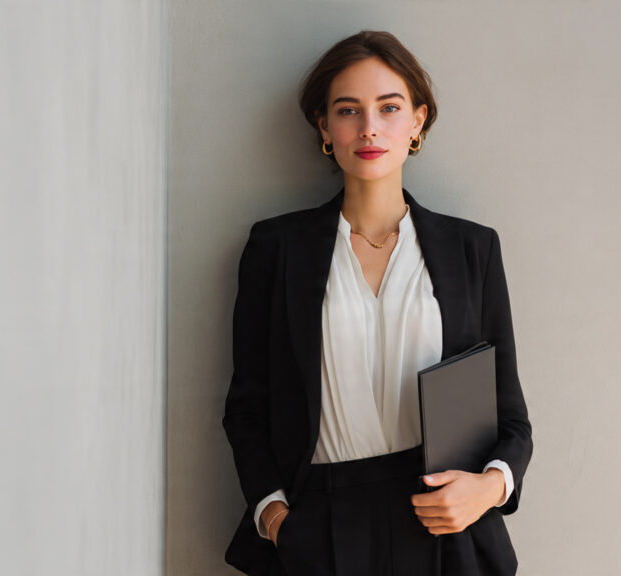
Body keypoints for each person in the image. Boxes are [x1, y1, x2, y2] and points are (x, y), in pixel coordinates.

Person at [221, 30, 533, 576]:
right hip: (321, 529)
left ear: (417, 121)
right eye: (348, 110)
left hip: (446, 531)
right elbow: (246, 408)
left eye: (389, 108)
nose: (368, 127)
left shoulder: (471, 249)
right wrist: (274, 516)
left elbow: (511, 417)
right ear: (324, 126)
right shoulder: (276, 249)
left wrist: (488, 489)